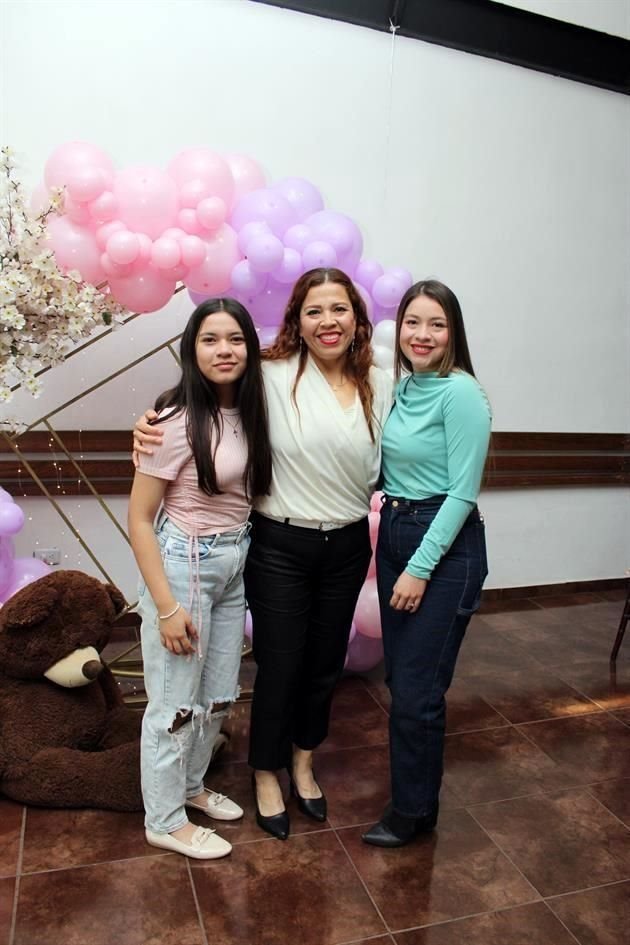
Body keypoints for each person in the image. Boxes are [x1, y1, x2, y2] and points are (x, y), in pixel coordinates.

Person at [134, 268, 393, 841]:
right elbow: (202, 395)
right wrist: (153, 420)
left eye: (340, 309)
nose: (328, 321)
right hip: (278, 543)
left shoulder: (381, 377)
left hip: (349, 542)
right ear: (297, 322)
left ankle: (302, 763)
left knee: (323, 663)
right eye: (315, 311)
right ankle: (265, 771)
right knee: (279, 664)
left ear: (357, 318)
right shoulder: (271, 374)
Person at [128, 297, 272, 860]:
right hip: (184, 561)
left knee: (216, 695)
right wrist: (165, 607)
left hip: (234, 558)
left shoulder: (252, 409)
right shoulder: (173, 419)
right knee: (174, 701)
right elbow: (140, 519)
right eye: (210, 339)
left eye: (235, 338)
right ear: (191, 349)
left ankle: (189, 788)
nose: (224, 350)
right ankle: (162, 820)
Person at [361, 279, 491, 848]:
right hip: (395, 529)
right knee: (403, 680)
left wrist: (419, 567)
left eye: (436, 324)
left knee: (417, 690)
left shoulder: (462, 394)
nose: (422, 334)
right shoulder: (404, 387)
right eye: (412, 322)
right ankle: (419, 800)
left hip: (441, 543)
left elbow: (463, 494)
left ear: (453, 332)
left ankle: (412, 813)